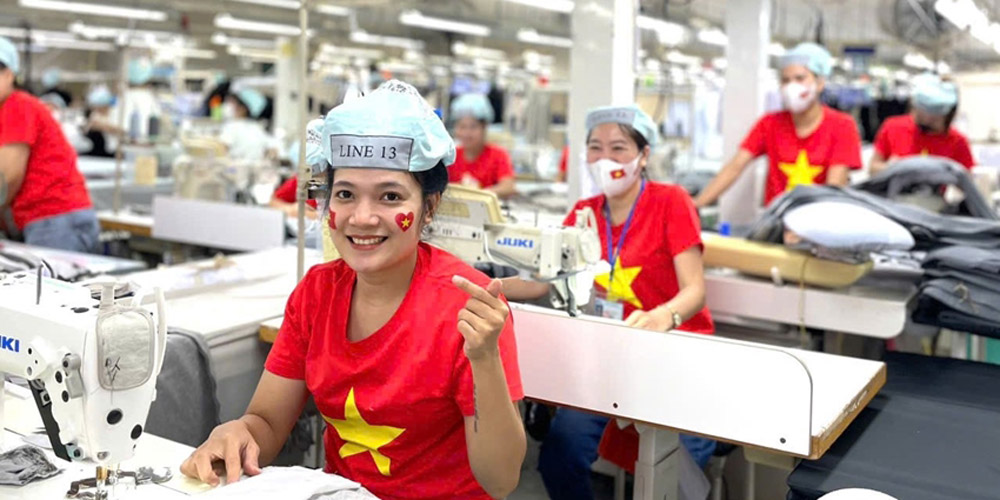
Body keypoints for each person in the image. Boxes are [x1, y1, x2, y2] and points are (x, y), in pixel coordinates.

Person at [181, 80, 526, 500]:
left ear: (429, 207)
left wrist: (485, 360)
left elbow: (501, 479)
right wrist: (235, 433)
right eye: (345, 194)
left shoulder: (467, 306)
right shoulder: (316, 293)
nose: (361, 218)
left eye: (389, 196)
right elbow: (267, 424)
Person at [503, 104, 715, 500]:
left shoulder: (671, 202)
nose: (605, 159)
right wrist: (492, 287)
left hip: (674, 353)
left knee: (674, 470)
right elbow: (544, 280)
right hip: (611, 356)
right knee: (560, 454)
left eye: (618, 148)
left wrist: (662, 316)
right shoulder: (584, 214)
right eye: (595, 147)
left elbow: (695, 291)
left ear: (643, 154)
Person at [695, 43, 862, 208]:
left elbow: (834, 188)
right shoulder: (769, 124)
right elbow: (734, 167)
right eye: (785, 80)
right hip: (777, 224)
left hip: (818, 225)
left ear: (819, 83)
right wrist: (696, 204)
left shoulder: (842, 126)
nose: (791, 86)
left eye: (800, 78)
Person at [0, 36, 99, 253]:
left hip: (55, 221)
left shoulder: (18, 106)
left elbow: (7, 178)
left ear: (9, 74)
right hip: (56, 221)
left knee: (49, 287)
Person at [870, 73, 974, 174]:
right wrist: (892, 168)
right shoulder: (893, 127)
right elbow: (872, 169)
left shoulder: (958, 142)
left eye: (922, 112)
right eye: (915, 108)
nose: (915, 115)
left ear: (943, 114)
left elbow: (968, 181)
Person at [448, 93, 517, 198]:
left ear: (484, 128)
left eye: (473, 127)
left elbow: (508, 187)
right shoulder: (451, 156)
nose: (467, 133)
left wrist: (478, 194)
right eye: (462, 127)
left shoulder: (498, 155)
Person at [219, 88, 275, 162]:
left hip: (235, 170)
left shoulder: (233, 127)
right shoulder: (258, 128)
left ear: (243, 109)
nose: (231, 107)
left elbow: (220, 150)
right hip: (256, 170)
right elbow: (272, 151)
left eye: (233, 103)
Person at [119, 57, 164, 143]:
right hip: (145, 145)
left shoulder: (126, 97)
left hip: (129, 146)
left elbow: (123, 128)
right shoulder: (150, 98)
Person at [83, 85, 121, 158]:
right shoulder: (95, 116)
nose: (97, 109)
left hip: (114, 152)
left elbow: (120, 130)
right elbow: (95, 126)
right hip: (101, 153)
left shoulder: (115, 115)